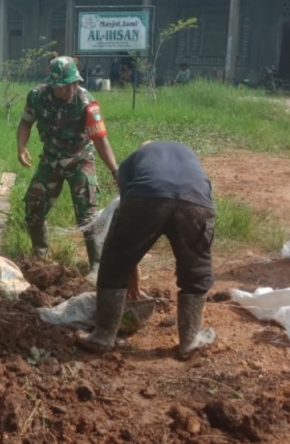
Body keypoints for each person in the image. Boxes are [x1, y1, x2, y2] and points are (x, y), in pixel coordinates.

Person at [77, 141, 216, 360]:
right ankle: (189, 340)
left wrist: (130, 267)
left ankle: (103, 336)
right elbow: (204, 189)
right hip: (196, 203)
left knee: (114, 264)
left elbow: (126, 208)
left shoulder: (132, 161)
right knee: (196, 269)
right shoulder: (188, 153)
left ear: (141, 150)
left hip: (147, 197)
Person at [17, 55, 119, 280]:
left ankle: (97, 265)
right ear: (53, 84)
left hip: (80, 160)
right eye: (66, 85)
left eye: (75, 82)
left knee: (87, 214)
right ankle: (39, 254)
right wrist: (21, 147)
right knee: (34, 204)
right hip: (51, 160)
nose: (72, 88)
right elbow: (25, 123)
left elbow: (101, 139)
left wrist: (115, 170)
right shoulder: (37, 96)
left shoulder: (86, 102)